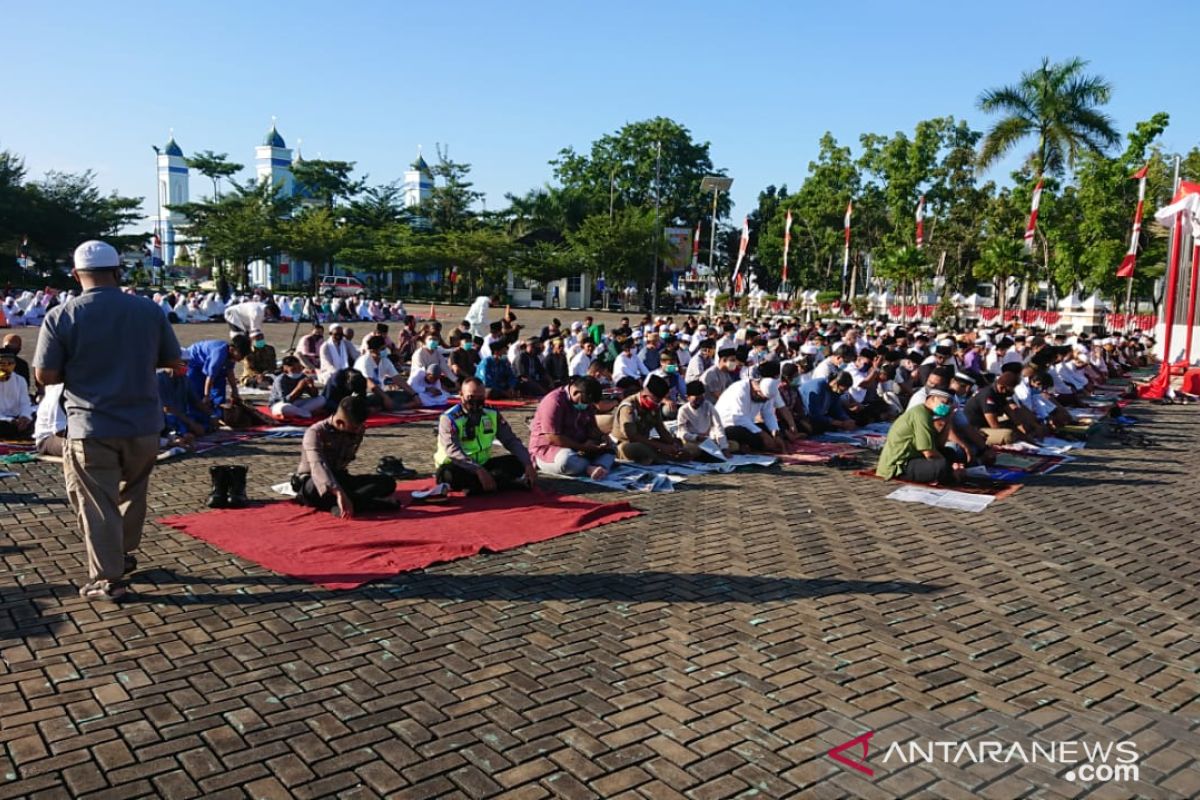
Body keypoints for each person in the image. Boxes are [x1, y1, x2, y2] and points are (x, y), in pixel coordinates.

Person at [32, 240, 182, 602]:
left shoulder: (63, 315)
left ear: (75, 274)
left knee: (97, 503)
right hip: (144, 424)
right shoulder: (149, 311)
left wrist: (82, 365)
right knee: (133, 493)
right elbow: (172, 360)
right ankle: (124, 554)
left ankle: (108, 579)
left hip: (92, 425)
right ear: (118, 272)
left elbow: (44, 376)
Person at [293, 396, 398, 518]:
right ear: (340, 423)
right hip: (314, 481)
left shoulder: (358, 430)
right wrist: (338, 493)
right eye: (354, 427)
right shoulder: (315, 433)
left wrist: (342, 492)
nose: (359, 430)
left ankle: (349, 503)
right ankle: (366, 503)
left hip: (340, 477)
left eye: (360, 426)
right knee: (316, 489)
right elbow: (318, 466)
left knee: (388, 482)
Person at [434, 377, 537, 494]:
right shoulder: (449, 418)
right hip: (458, 465)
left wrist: (527, 463)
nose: (476, 402)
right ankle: (502, 484)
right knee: (447, 475)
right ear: (461, 395)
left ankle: (479, 487)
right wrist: (477, 469)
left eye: (480, 398)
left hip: (484, 463)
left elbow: (510, 440)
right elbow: (452, 451)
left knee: (517, 462)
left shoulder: (492, 413)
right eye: (471, 397)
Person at [528, 376, 615, 479]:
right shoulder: (554, 401)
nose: (586, 406)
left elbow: (592, 426)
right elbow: (554, 437)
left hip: (580, 447)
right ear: (575, 393)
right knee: (566, 461)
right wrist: (582, 447)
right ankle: (590, 466)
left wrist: (602, 438)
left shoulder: (587, 403)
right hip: (550, 449)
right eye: (585, 402)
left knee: (611, 448)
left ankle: (596, 467)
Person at [875, 387, 959, 484]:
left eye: (949, 404)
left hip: (912, 457)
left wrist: (948, 420)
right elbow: (929, 452)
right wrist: (950, 467)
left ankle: (951, 475)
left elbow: (939, 445)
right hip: (898, 465)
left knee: (949, 452)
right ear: (932, 398)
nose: (947, 406)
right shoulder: (921, 414)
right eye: (944, 402)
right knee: (943, 465)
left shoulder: (926, 414)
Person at [611, 375, 686, 464]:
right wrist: (661, 446)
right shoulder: (628, 407)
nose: (656, 405)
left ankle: (669, 455)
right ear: (645, 394)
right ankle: (662, 458)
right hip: (625, 444)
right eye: (655, 401)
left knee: (677, 442)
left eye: (658, 402)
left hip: (645, 441)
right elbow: (633, 436)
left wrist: (673, 443)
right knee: (641, 448)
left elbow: (661, 429)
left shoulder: (655, 407)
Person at [715, 370, 784, 453]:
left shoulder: (766, 395)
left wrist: (775, 432)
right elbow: (738, 418)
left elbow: (768, 414)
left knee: (779, 428)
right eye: (762, 398)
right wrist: (762, 434)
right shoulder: (740, 390)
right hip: (728, 426)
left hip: (747, 425)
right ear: (757, 389)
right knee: (743, 433)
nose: (763, 401)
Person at [185, 335, 249, 410]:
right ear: (232, 349)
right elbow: (210, 377)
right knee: (197, 391)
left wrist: (234, 390)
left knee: (220, 383)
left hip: (208, 364)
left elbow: (229, 372)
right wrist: (206, 396)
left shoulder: (231, 356)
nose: (242, 358)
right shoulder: (218, 355)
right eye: (242, 354)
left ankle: (218, 410)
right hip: (194, 361)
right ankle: (197, 413)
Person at [354, 335, 416, 411]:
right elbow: (371, 385)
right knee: (372, 401)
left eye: (385, 348)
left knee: (406, 395)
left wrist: (414, 394)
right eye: (382, 349)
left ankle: (382, 408)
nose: (385, 351)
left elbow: (398, 379)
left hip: (381, 393)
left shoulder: (385, 360)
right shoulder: (365, 361)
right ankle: (391, 407)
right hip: (366, 395)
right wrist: (385, 398)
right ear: (372, 351)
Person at [676, 380, 729, 460]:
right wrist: (696, 437)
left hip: (708, 440)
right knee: (690, 449)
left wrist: (724, 447)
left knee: (733, 445)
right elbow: (682, 432)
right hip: (692, 441)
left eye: (701, 398)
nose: (699, 402)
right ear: (688, 397)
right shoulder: (683, 410)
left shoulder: (708, 406)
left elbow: (718, 427)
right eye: (696, 399)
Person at [158, 363, 210, 439]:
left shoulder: (184, 379)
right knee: (173, 423)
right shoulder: (159, 379)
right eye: (183, 364)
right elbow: (167, 409)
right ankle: (177, 434)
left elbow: (195, 401)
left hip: (183, 416)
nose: (185, 367)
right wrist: (192, 423)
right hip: (167, 417)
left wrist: (211, 415)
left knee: (203, 419)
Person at [0, 349, 33, 438]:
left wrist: (25, 417)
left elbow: (25, 403)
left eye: (10, 363)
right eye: (2, 363)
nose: (6, 366)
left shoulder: (20, 380)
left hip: (17, 418)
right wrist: (9, 420)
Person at [33, 382, 67, 456]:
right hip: (48, 438)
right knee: (79, 446)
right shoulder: (59, 391)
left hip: (73, 434)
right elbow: (59, 431)